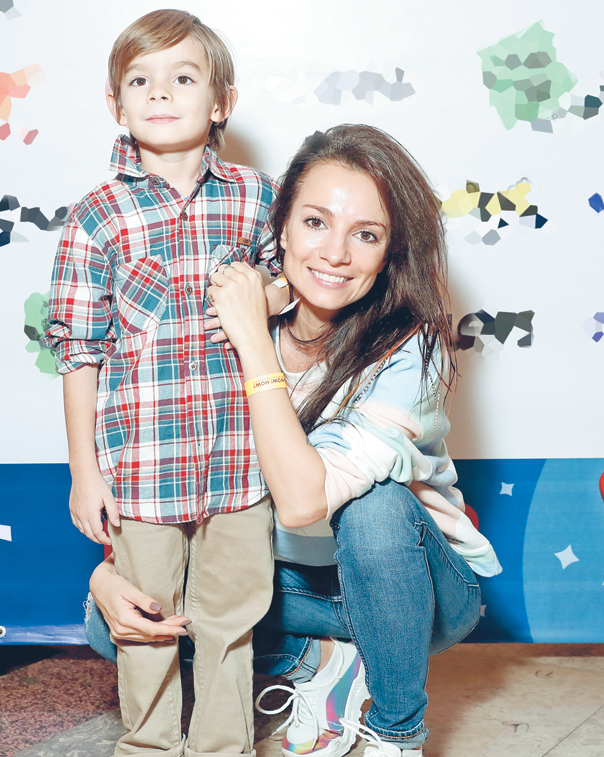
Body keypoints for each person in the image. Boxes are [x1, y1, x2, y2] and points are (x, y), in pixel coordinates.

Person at [84, 124, 502, 757]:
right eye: (315, 222)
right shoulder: (223, 317)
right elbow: (171, 469)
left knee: (377, 508)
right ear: (280, 227)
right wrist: (105, 575)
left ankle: (397, 732)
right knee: (115, 620)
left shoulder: (408, 350)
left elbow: (305, 503)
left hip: (416, 593)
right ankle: (324, 662)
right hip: (284, 580)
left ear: (391, 253)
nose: (335, 253)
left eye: (366, 235)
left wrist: (254, 342)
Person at [44, 10, 290, 757]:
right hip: (142, 466)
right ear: (115, 104)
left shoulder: (257, 196)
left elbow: (291, 283)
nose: (160, 93)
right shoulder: (96, 216)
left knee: (231, 615)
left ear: (221, 102)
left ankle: (221, 746)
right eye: (140, 81)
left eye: (183, 78)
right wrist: (85, 471)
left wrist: (266, 295)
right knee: (145, 619)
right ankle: (148, 744)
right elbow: (78, 351)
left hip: (239, 462)